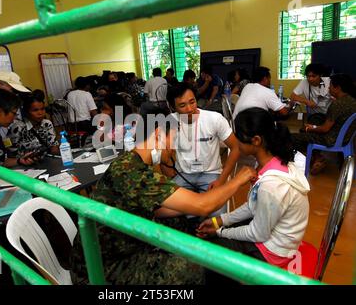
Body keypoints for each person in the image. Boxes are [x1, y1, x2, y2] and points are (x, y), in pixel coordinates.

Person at [70, 107, 256, 285]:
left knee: (186, 224)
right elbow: (203, 206)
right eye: (174, 141)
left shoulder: (131, 161)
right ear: (159, 134)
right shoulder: (131, 172)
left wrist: (187, 209)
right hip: (103, 268)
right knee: (194, 267)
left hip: (124, 244)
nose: (174, 149)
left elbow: (157, 210)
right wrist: (239, 179)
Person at [197, 107, 310, 284]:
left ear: (256, 140)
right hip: (273, 238)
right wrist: (221, 220)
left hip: (273, 252)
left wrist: (220, 232)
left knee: (212, 256)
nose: (235, 142)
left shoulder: (271, 185)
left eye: (239, 138)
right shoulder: (272, 162)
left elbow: (258, 233)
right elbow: (253, 205)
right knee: (219, 236)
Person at [166, 83, 241, 217]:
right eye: (182, 105)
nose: (189, 109)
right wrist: (170, 176)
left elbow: (235, 147)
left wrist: (221, 180)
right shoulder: (170, 121)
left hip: (211, 175)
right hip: (183, 175)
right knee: (164, 208)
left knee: (216, 217)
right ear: (173, 107)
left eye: (192, 102)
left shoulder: (214, 119)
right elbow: (163, 153)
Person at [291, 73, 356, 175]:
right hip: (347, 138)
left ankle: (316, 158)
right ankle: (316, 158)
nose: (329, 89)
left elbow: (325, 129)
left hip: (331, 139)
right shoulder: (352, 101)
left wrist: (312, 128)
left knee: (294, 137)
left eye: (330, 87)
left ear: (337, 88)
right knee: (316, 119)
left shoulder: (337, 104)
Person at [7, 89, 59, 158]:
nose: (40, 113)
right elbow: (12, 155)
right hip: (25, 165)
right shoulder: (17, 128)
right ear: (26, 112)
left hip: (46, 161)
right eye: (35, 110)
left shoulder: (47, 124)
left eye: (42, 109)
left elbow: (53, 146)